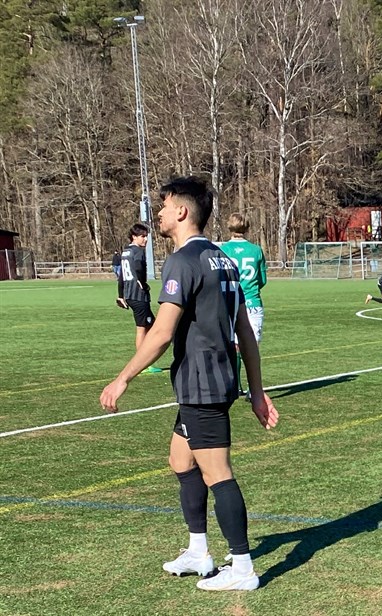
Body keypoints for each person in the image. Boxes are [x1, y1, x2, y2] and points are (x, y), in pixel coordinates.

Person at [99, 176, 279, 591]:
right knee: (181, 461)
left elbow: (161, 333)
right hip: (211, 380)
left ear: (181, 211)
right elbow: (245, 334)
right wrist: (255, 391)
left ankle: (243, 569)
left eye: (163, 207)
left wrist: (122, 378)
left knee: (218, 474)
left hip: (203, 384)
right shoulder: (222, 259)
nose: (158, 214)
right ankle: (199, 551)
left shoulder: (183, 261)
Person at [223, 213, 268, 394]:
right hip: (252, 303)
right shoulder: (256, 250)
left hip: (230, 303)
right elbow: (262, 280)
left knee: (233, 346)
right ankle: (253, 389)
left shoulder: (223, 249)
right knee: (252, 347)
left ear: (229, 227)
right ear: (247, 227)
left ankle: (235, 385)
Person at [118, 224, 162, 374]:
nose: (145, 239)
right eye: (142, 236)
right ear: (134, 237)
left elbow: (121, 276)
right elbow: (138, 267)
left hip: (130, 294)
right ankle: (143, 364)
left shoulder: (126, 251)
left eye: (146, 236)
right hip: (138, 295)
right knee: (143, 329)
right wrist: (142, 282)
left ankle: (145, 362)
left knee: (150, 327)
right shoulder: (138, 251)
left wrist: (120, 295)